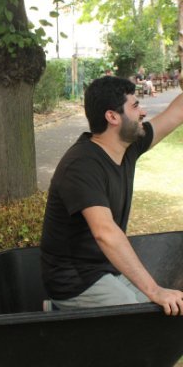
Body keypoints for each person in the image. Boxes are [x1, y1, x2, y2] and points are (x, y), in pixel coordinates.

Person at [41, 75, 183, 316]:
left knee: (161, 313)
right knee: (141, 321)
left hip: (106, 270)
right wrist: (155, 290)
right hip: (76, 281)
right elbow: (105, 232)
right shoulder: (81, 165)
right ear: (113, 117)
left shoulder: (128, 146)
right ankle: (60, 312)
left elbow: (178, 112)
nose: (143, 112)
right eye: (135, 106)